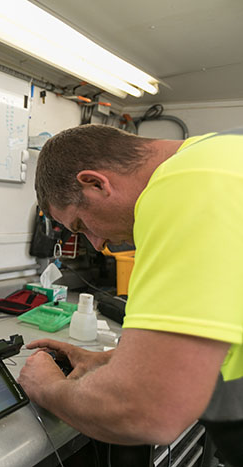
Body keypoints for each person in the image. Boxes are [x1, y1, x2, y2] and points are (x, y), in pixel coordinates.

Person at [17, 124, 243, 466]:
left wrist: (47, 388)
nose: (97, 243)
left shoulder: (182, 187)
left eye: (81, 225)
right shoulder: (220, 155)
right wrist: (105, 361)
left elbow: (146, 410)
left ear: (95, 183)